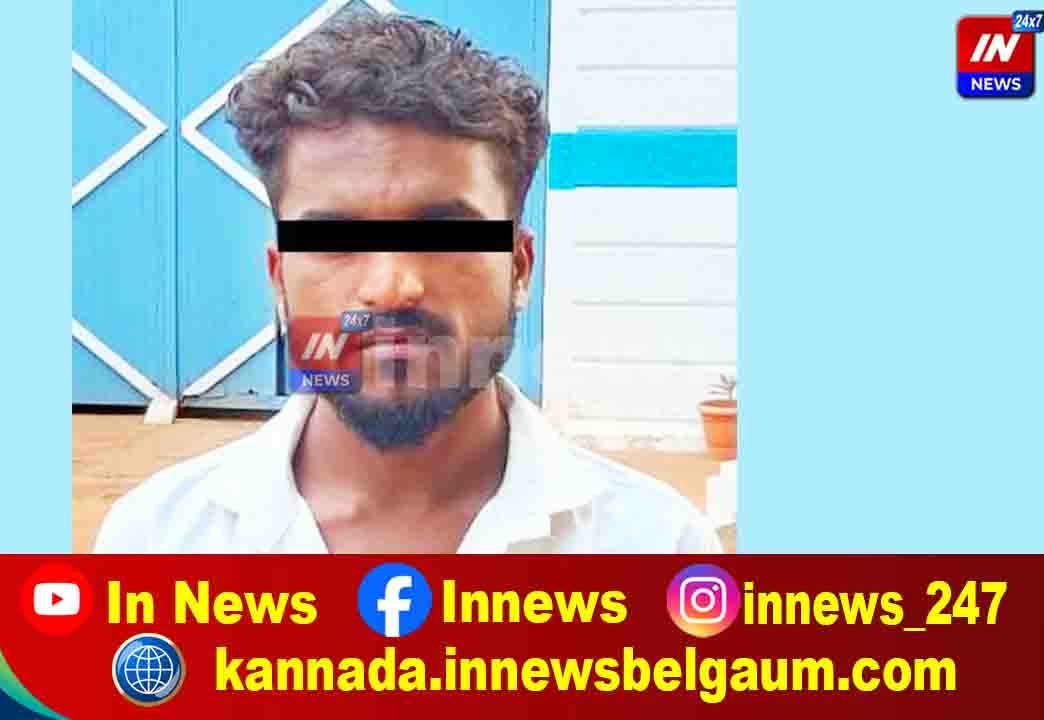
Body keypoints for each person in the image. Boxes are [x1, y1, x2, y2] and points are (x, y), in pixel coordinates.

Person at [94, 13, 721, 554]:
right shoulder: (156, 543)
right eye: (335, 239)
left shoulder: (656, 550)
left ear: (519, 268)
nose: (391, 286)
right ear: (279, 280)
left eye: (445, 233)